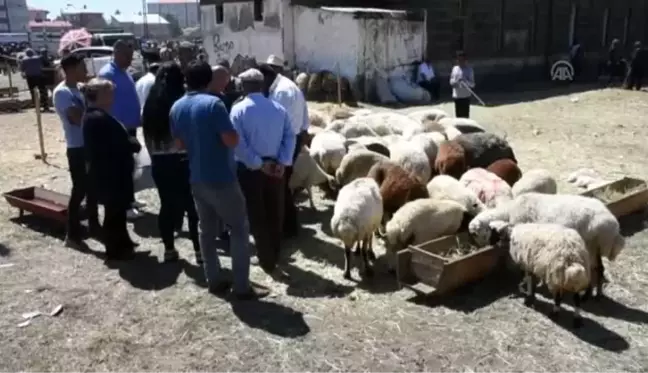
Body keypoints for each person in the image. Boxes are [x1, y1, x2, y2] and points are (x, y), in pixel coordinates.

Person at [170, 61, 266, 299]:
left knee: (206, 231)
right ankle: (242, 286)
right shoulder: (214, 104)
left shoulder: (177, 107)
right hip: (222, 178)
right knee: (239, 229)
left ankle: (213, 279)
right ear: (209, 80)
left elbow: (179, 144)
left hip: (197, 178)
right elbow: (231, 140)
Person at [232, 68, 296, 280]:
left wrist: (259, 164)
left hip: (252, 171)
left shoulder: (238, 110)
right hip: (276, 168)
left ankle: (266, 258)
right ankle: (275, 253)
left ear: (244, 86)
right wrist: (283, 162)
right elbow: (290, 136)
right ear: (262, 85)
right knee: (275, 210)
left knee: (256, 213)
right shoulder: (278, 109)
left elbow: (238, 143)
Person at [142, 62, 202, 264]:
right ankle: (199, 251)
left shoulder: (150, 105)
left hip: (160, 161)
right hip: (183, 159)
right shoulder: (181, 102)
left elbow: (147, 137)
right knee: (192, 207)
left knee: (166, 206)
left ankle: (169, 249)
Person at [82, 78, 141, 261]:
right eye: (109, 92)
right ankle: (115, 249)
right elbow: (118, 143)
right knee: (113, 213)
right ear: (99, 95)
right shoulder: (97, 118)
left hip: (113, 171)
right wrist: (132, 143)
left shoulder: (98, 115)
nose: (112, 96)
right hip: (110, 173)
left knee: (118, 211)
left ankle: (123, 242)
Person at [52, 54, 100, 248]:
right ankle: (72, 235)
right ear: (71, 69)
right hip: (77, 147)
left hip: (88, 145)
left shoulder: (80, 89)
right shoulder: (62, 93)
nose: (86, 71)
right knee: (79, 190)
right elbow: (76, 118)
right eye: (82, 67)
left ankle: (95, 226)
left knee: (93, 189)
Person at [260, 54, 308, 239]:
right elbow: (305, 117)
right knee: (282, 183)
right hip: (293, 138)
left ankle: (285, 228)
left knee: (278, 185)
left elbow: (277, 124)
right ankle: (289, 225)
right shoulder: (287, 86)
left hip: (285, 141)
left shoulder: (281, 92)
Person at [98, 40, 144, 219]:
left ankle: (130, 199)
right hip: (117, 128)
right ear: (116, 53)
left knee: (130, 166)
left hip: (129, 127)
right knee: (120, 168)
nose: (129, 60)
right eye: (127, 56)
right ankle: (123, 206)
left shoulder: (124, 73)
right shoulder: (107, 74)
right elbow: (103, 102)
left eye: (131, 57)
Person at [449, 50, 475, 118]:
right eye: (458, 60)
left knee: (465, 116)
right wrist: (455, 81)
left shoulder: (469, 70)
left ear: (465, 60)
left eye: (462, 60)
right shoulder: (454, 69)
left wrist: (465, 81)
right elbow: (451, 81)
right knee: (458, 116)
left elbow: (472, 84)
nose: (460, 62)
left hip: (465, 96)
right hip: (457, 96)